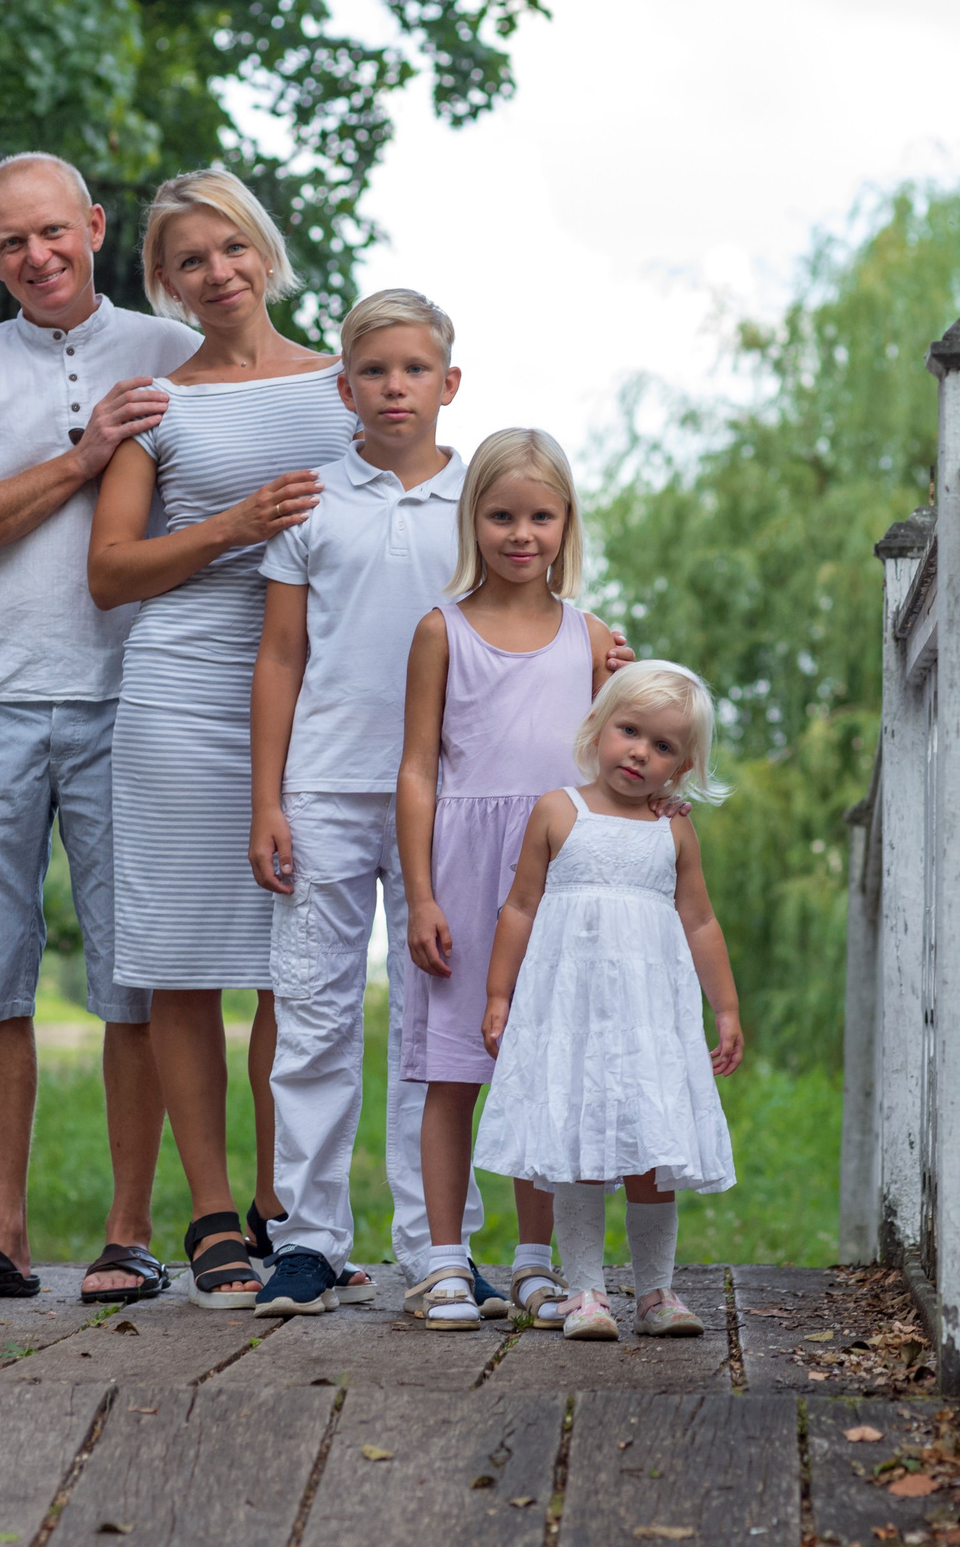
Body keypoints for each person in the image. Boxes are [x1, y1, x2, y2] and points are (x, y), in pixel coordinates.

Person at [246, 298, 636, 1317]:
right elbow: (280, 653)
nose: (393, 386)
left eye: (414, 368)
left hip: (460, 807)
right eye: (372, 369)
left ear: (447, 383)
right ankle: (309, 1239)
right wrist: (266, 799)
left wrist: (605, 661)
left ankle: (436, 1245)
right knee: (315, 1014)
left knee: (439, 1027)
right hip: (328, 782)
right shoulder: (309, 501)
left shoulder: (490, 497)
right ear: (345, 386)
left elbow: (541, 627)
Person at [0, 152, 196, 1304]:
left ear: (93, 225)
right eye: (9, 242)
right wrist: (80, 459)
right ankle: (4, 1236)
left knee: (135, 977)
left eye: (52, 231)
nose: (36, 255)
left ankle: (129, 1234)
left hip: (141, 703)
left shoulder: (171, 355)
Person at [88, 166, 357, 1308]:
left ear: (264, 251)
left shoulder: (349, 387)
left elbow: (437, 518)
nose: (216, 272)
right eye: (189, 259)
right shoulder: (161, 406)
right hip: (179, 694)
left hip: (313, 699)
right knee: (180, 960)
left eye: (231, 249)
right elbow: (110, 573)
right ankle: (209, 1216)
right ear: (164, 280)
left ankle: (284, 1203)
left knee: (289, 969)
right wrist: (235, 526)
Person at [395, 429, 628, 1329]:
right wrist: (420, 893)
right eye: (501, 514)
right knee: (451, 1068)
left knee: (545, 1066)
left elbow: (627, 755)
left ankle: (538, 1262)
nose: (520, 532)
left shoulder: (593, 637)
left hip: (559, 879)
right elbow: (418, 768)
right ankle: (445, 1259)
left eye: (540, 514)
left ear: (566, 522)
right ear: (473, 519)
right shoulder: (439, 631)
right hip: (462, 867)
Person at [473, 660, 743, 1341]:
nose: (639, 753)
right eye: (629, 731)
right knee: (580, 1150)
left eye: (662, 747)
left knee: (653, 1152)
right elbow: (520, 907)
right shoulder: (558, 810)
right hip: (575, 1019)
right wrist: (499, 992)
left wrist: (727, 1008)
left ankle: (656, 1290)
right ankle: (587, 1291)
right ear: (599, 727)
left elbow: (701, 921)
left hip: (649, 1024)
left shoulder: (672, 830)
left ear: (680, 769)